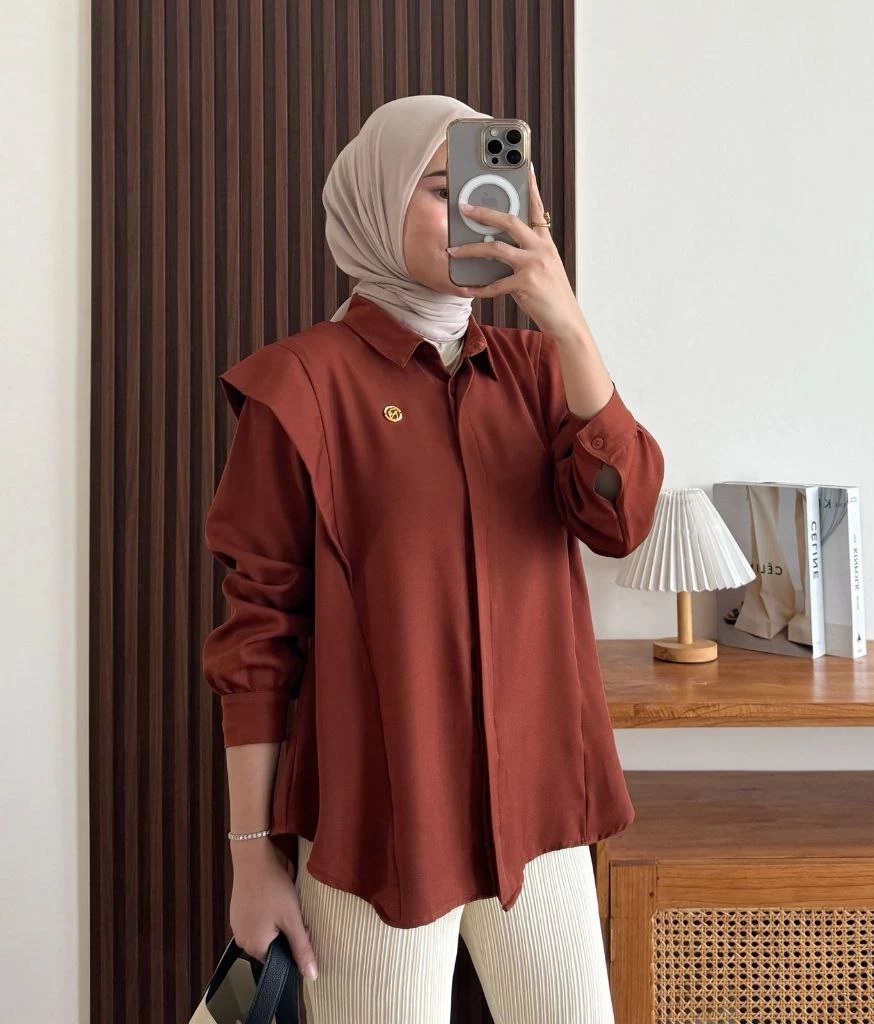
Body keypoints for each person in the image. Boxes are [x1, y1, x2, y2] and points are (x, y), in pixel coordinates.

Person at [201, 94, 665, 1024]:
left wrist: (569, 323)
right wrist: (254, 860)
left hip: (540, 819)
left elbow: (622, 521)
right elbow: (257, 645)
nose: (477, 214)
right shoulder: (301, 386)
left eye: (495, 190)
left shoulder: (539, 371)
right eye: (446, 191)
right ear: (376, 205)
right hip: (381, 830)